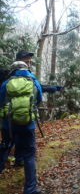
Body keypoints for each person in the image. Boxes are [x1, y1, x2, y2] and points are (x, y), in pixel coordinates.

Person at [3, 50, 63, 167]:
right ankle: (15, 159)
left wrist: (51, 88)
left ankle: (19, 159)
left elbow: (37, 87)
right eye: (26, 58)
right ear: (19, 60)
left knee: (15, 139)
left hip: (16, 115)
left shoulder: (25, 75)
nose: (29, 60)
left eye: (30, 58)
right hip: (10, 115)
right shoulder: (9, 75)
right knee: (9, 142)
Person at [0, 61, 42, 194]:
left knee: (4, 150)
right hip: (28, 126)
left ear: (13, 70)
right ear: (27, 69)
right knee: (29, 156)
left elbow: (1, 101)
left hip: (9, 125)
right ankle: (30, 189)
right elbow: (39, 99)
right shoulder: (34, 82)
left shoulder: (6, 84)